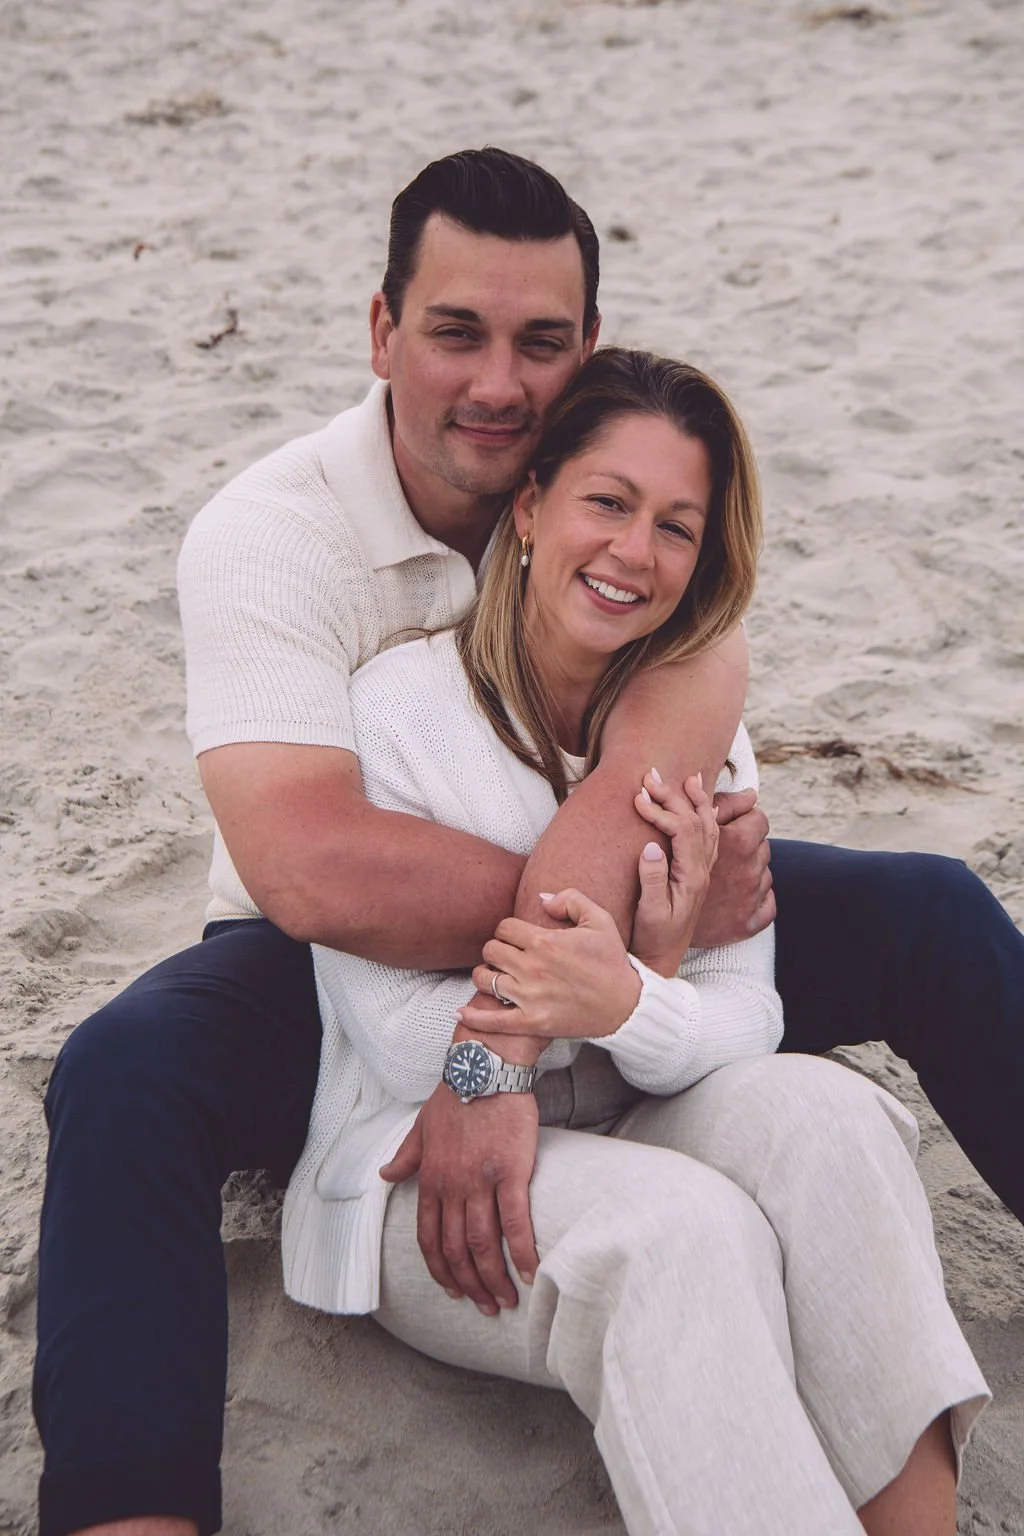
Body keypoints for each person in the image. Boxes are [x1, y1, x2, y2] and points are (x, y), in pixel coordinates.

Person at [32, 147, 1021, 1536]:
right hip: (324, 941)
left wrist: (629, 952)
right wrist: (610, 948)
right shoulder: (273, 535)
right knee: (127, 1070)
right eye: (456, 332)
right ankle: (129, 1508)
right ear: (383, 331)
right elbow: (310, 867)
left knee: (926, 913)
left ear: (587, 351)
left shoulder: (625, 503)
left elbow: (672, 725)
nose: (497, 383)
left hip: (617, 901)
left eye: (540, 344)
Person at [286, 346, 988, 1535]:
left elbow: (747, 1019)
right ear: (529, 506)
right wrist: (628, 974)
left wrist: (630, 996)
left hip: (636, 1113)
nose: (632, 553)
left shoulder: (693, 730)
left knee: (833, 1117)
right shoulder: (395, 715)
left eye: (674, 527)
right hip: (421, 1172)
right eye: (606, 502)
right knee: (680, 1232)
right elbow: (409, 1049)